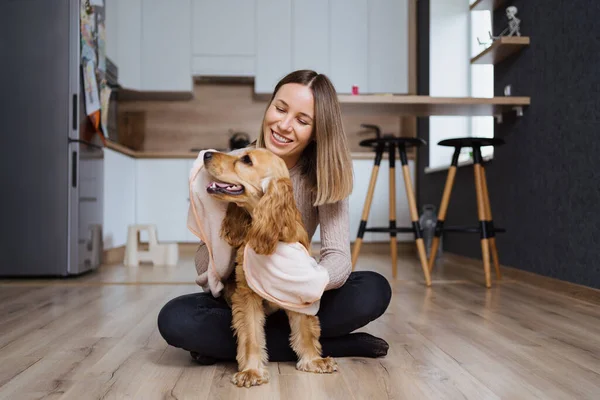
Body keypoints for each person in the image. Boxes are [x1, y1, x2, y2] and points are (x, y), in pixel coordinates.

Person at [157, 70, 392, 364]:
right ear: (268, 106)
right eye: (280, 109)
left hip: (298, 299)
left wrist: (302, 281)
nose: (283, 125)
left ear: (318, 131)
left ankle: (239, 347)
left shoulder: (324, 176)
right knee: (176, 319)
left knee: (373, 289)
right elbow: (205, 262)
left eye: (302, 120)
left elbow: (338, 257)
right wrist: (234, 246)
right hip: (243, 300)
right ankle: (331, 345)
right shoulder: (232, 165)